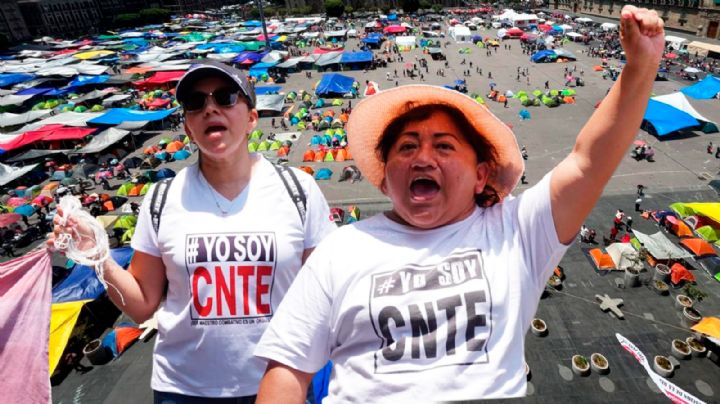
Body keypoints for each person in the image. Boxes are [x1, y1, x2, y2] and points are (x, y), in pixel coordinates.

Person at [254, 7, 665, 402]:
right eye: (407, 147)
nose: (422, 158)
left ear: (481, 174)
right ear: (385, 176)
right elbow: (288, 371)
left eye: (444, 146)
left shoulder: (518, 231)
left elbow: (587, 161)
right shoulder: (339, 250)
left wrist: (641, 67)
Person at [49, 60, 335, 402]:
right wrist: (99, 258)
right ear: (187, 127)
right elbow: (141, 307)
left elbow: (327, 293)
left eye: (226, 97)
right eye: (196, 103)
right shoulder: (162, 198)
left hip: (281, 383)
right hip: (184, 389)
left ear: (252, 118)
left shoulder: (298, 190)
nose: (210, 108)